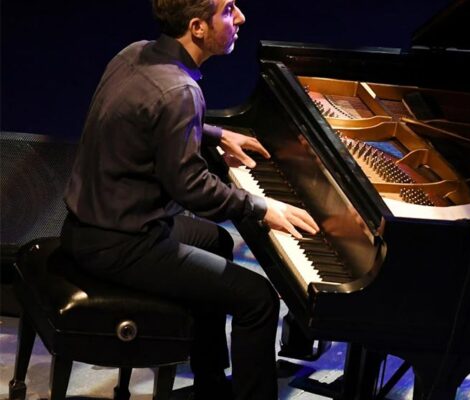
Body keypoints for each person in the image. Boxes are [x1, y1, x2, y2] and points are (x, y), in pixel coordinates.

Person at [60, 0, 319, 399]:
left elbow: (152, 118)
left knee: (215, 240)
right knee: (259, 299)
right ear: (198, 27)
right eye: (229, 10)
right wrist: (263, 207)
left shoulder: (135, 52)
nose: (241, 19)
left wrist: (215, 134)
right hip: (122, 244)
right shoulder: (181, 90)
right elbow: (192, 188)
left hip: (90, 225)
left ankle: (211, 382)